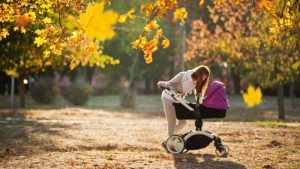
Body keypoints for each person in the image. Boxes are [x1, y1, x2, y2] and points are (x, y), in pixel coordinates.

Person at [157, 65, 210, 151]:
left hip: (179, 100)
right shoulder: (183, 75)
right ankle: (170, 145)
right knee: (172, 122)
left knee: (182, 122)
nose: (203, 79)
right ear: (198, 73)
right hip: (168, 97)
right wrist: (162, 84)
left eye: (205, 78)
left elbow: (198, 95)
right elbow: (170, 83)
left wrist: (200, 104)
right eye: (203, 76)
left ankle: (168, 141)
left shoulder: (197, 83)